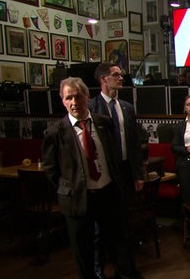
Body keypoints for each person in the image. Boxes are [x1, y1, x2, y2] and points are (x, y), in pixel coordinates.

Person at [42, 77, 143, 279]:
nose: (74, 102)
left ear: (87, 97)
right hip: (79, 201)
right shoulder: (55, 133)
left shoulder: (104, 123)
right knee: (84, 256)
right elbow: (51, 170)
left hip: (108, 195)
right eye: (68, 98)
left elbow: (113, 158)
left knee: (119, 247)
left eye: (77, 96)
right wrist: (71, 189)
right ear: (62, 101)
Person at [89, 62, 145, 278]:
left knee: (123, 223)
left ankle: (125, 270)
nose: (121, 78)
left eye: (120, 75)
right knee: (100, 227)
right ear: (104, 79)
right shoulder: (92, 107)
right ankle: (98, 270)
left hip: (124, 171)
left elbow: (134, 145)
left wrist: (138, 174)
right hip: (103, 174)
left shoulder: (127, 108)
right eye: (116, 75)